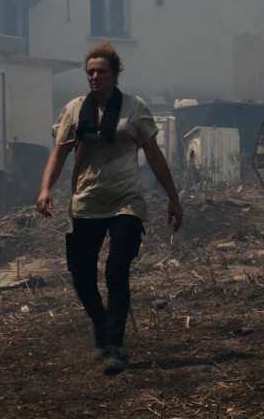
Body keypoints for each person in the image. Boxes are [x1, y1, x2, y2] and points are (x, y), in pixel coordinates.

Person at [37, 41, 183, 376]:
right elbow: (58, 154)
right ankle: (102, 328)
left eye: (102, 71)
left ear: (115, 75)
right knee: (82, 274)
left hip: (126, 202)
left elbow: (155, 156)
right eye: (90, 71)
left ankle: (114, 345)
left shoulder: (134, 107)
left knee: (117, 271)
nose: (95, 76)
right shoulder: (76, 109)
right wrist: (45, 188)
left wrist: (173, 198)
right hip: (87, 202)